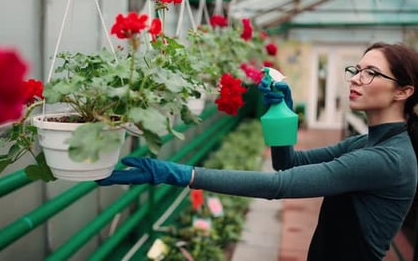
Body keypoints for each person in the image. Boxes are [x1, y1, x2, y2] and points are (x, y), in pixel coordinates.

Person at [97, 42, 418, 261]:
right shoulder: (365, 143)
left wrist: (179, 174)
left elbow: (279, 186)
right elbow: (286, 163)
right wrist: (282, 115)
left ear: (404, 91)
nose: (356, 79)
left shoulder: (386, 159)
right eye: (356, 69)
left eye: (371, 73)